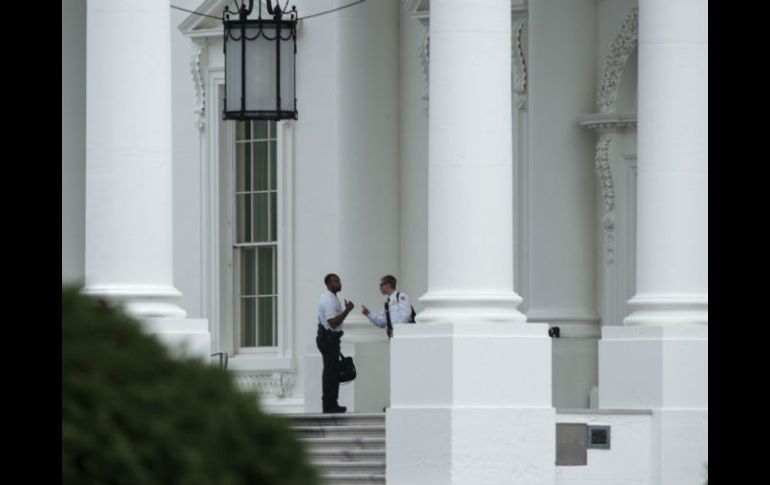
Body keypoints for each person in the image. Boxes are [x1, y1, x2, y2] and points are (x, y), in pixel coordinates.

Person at [316, 273, 354, 413]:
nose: (338, 283)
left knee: (332, 372)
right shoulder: (328, 299)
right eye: (334, 281)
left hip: (331, 339)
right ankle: (329, 405)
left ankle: (332, 403)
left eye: (338, 281)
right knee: (330, 372)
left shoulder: (333, 298)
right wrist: (347, 310)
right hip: (328, 339)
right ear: (328, 284)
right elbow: (333, 323)